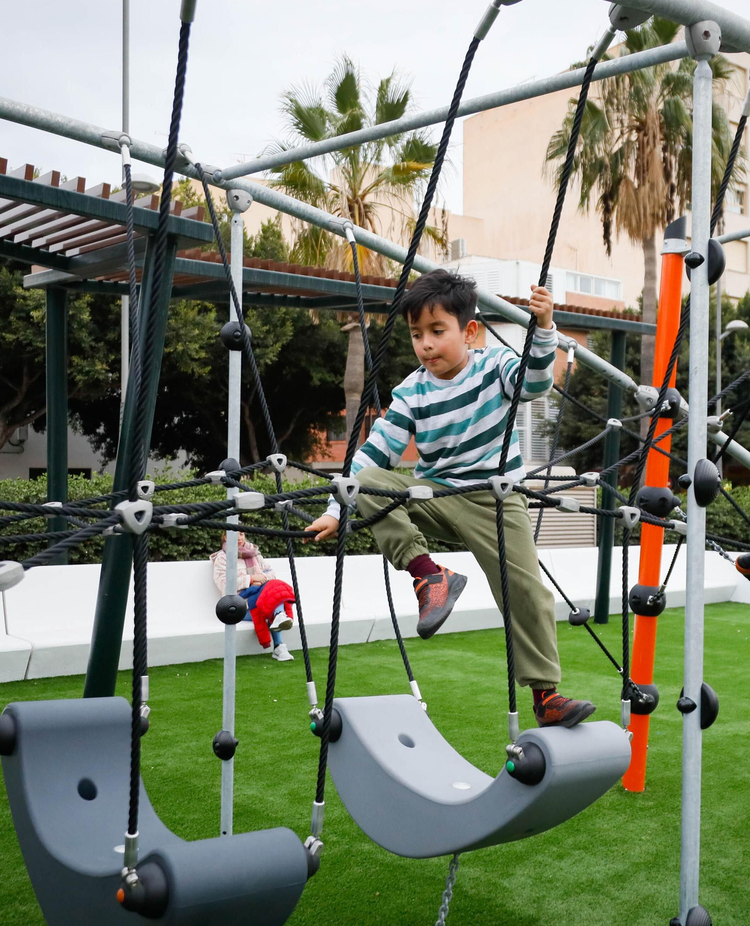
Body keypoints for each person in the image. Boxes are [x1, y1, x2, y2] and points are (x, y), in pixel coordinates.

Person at [304, 270, 594, 728]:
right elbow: (371, 456)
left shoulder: (492, 365)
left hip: (495, 498)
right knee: (368, 481)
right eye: (417, 334)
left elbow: (534, 385)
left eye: (438, 332)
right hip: (435, 493)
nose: (426, 345)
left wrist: (543, 331)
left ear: (470, 331)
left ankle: (546, 697)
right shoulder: (412, 392)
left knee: (525, 591)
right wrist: (335, 509)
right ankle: (429, 575)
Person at [210, 531, 296, 661]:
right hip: (237, 606)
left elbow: (271, 573)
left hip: (260, 598)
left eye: (242, 534)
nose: (239, 537)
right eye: (234, 534)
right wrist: (251, 579)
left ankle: (279, 622)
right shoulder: (222, 558)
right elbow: (225, 584)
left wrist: (262, 578)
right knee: (273, 599)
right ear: (225, 537)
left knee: (273, 589)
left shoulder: (254, 553)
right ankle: (279, 645)